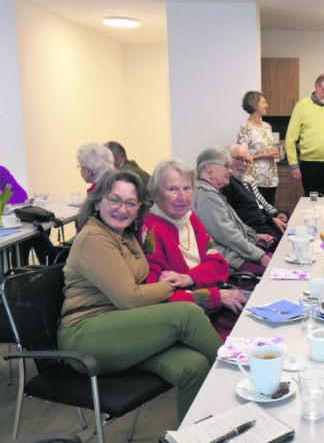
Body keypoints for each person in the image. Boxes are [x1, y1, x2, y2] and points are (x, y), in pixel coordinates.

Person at [57, 170, 222, 420]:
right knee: (187, 313)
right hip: (85, 335)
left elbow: (141, 286)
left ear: (138, 207)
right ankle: (240, 375)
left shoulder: (125, 234)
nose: (122, 209)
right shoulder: (94, 238)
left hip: (124, 327)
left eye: (131, 203)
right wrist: (171, 285)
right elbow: (130, 297)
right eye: (115, 200)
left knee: (194, 366)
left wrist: (165, 281)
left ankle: (196, 435)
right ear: (98, 201)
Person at [140, 160, 248, 340]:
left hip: (215, 300)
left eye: (187, 188)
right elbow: (159, 295)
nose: (182, 197)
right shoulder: (151, 230)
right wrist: (214, 296)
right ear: (157, 195)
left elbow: (220, 265)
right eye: (173, 189)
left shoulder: (189, 217)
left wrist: (189, 277)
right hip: (192, 317)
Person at [192, 148, 272, 277]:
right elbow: (228, 235)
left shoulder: (211, 192)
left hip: (237, 253)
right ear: (209, 168)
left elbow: (231, 227)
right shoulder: (207, 195)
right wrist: (260, 256)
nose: (230, 171)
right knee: (276, 270)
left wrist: (255, 237)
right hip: (231, 260)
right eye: (226, 166)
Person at [221, 144, 286, 243]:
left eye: (247, 161)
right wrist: (256, 236)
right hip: (257, 234)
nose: (244, 164)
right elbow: (237, 221)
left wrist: (274, 218)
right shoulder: (226, 184)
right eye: (240, 159)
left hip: (264, 226)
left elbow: (257, 207)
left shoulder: (242, 181)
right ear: (226, 159)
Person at [237, 91, 279, 205]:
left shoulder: (267, 126)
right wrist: (265, 155)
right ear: (254, 105)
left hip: (271, 179)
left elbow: (270, 148)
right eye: (264, 102)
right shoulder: (245, 127)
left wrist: (274, 152)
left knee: (271, 213)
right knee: (260, 215)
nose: (267, 105)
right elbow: (242, 157)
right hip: (254, 180)